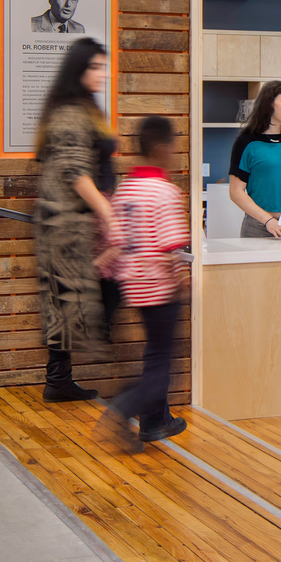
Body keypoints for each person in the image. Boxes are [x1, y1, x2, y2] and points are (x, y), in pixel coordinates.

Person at [98, 116, 189, 451]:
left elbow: (117, 238)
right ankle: (126, 407)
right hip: (159, 285)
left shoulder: (127, 189)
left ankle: (155, 421)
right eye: (174, 147)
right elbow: (171, 246)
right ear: (162, 148)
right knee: (162, 360)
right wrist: (183, 280)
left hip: (132, 285)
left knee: (154, 354)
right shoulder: (164, 191)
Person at [33, 37, 117, 401]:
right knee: (75, 296)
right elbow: (74, 170)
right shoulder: (70, 111)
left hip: (76, 220)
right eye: (95, 66)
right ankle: (65, 374)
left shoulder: (82, 107)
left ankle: (59, 379)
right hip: (69, 220)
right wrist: (107, 212)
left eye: (103, 66)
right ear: (78, 69)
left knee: (66, 299)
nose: (103, 73)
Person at [229, 80, 281, 238]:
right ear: (269, 103)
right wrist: (268, 220)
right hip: (260, 226)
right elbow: (236, 192)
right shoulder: (246, 142)